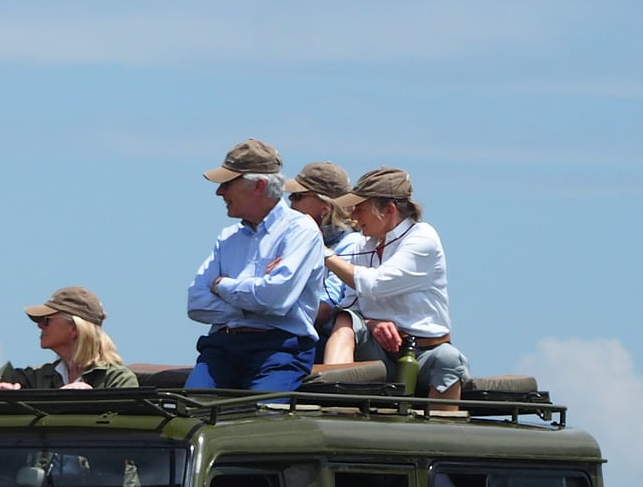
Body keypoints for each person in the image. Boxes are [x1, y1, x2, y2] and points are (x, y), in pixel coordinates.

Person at [184, 139, 325, 390]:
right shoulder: (228, 237)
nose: (219, 192)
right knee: (190, 411)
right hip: (223, 348)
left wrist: (222, 286)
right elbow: (195, 303)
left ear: (259, 185)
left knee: (257, 421)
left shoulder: (301, 230)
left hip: (280, 349)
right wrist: (253, 305)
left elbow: (274, 299)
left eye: (227, 184)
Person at [321, 167, 470, 399]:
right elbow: (350, 303)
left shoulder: (422, 238)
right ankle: (333, 395)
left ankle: (442, 427)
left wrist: (325, 255)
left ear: (388, 210)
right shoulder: (363, 244)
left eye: (360, 209)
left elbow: (375, 284)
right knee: (345, 320)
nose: (354, 217)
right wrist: (370, 323)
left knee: (448, 360)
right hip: (379, 350)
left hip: (424, 352)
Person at [0, 287, 139, 391]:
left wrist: (91, 400)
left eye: (47, 320)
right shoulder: (37, 378)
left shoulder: (118, 381)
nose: (40, 326)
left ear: (74, 328)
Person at [283, 161, 368, 362]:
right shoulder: (296, 242)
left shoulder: (352, 244)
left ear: (325, 207)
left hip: (321, 340)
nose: (291, 204)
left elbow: (324, 309)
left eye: (298, 197)